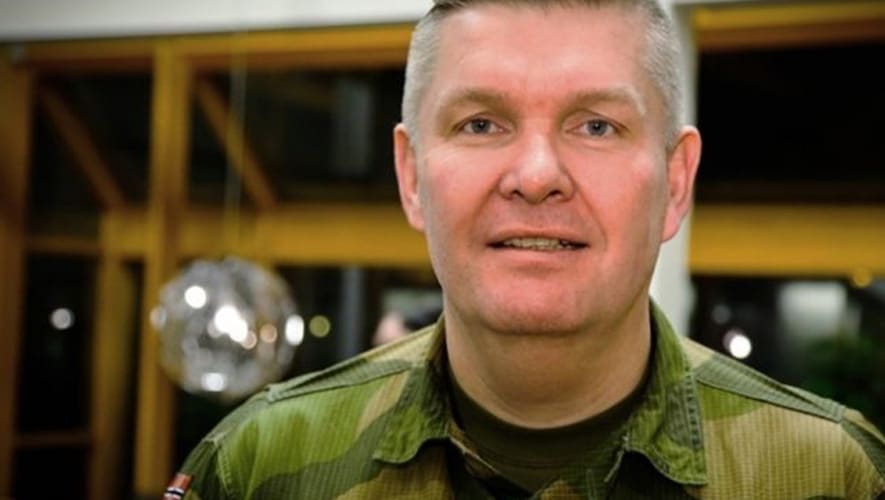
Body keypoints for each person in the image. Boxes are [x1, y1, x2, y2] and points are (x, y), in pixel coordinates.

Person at [166, 1, 885, 498]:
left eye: (596, 126)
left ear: (674, 181)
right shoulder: (259, 469)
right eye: (481, 124)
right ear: (411, 177)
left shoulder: (835, 477)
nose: (537, 176)